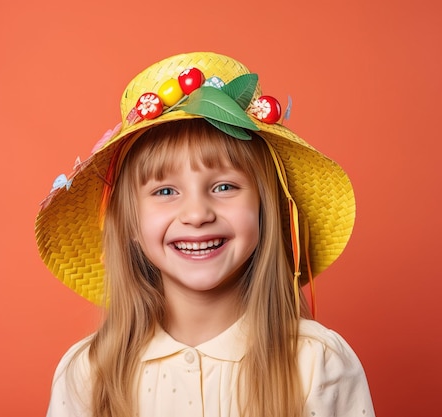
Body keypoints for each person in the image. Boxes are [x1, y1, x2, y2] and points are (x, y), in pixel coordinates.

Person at [35, 52, 375, 417]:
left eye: (225, 186)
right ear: (130, 224)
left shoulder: (317, 364)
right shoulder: (89, 374)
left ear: (265, 209)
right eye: (165, 191)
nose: (197, 214)